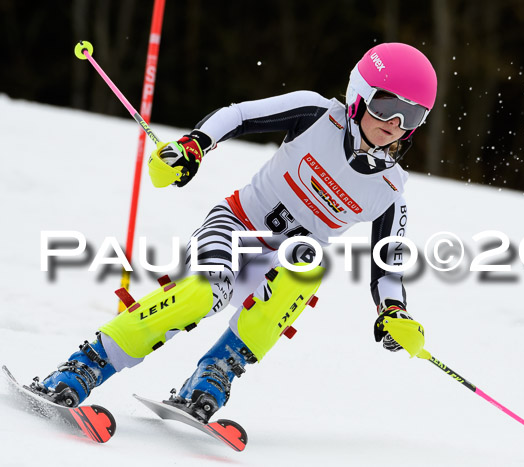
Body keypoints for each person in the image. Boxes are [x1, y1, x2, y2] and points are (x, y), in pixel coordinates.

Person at [31, 42, 438, 423]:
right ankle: (85, 366)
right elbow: (239, 115)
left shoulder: (391, 190)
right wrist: (194, 146)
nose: (395, 124)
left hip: (283, 263)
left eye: (412, 116)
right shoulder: (317, 115)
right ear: (359, 96)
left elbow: (388, 268)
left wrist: (394, 313)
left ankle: (213, 375)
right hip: (235, 225)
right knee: (202, 293)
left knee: (308, 267)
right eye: (386, 107)